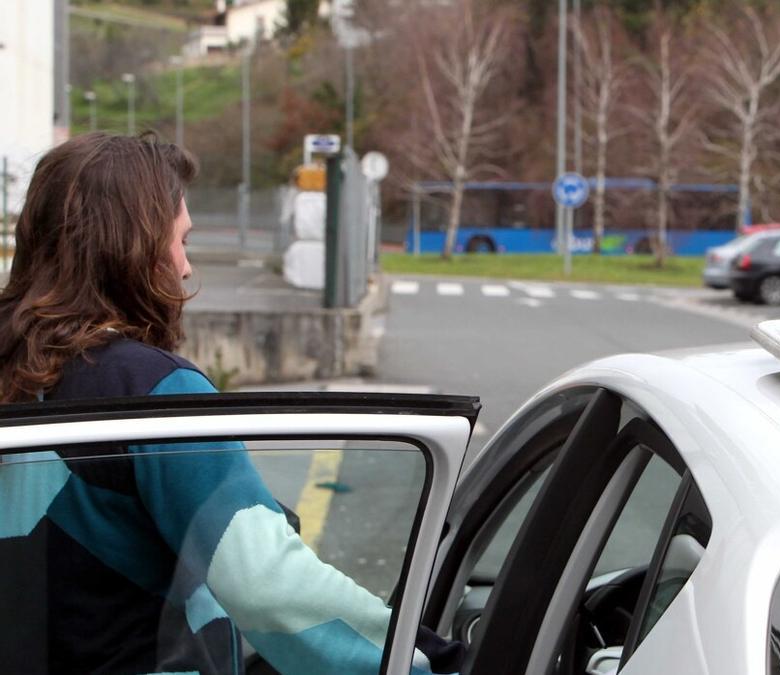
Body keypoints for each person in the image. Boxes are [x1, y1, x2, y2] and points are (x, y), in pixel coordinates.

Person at [0, 133, 463, 674]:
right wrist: (428, 662)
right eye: (181, 242)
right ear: (134, 249)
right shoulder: (151, 390)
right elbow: (268, 586)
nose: (186, 267)